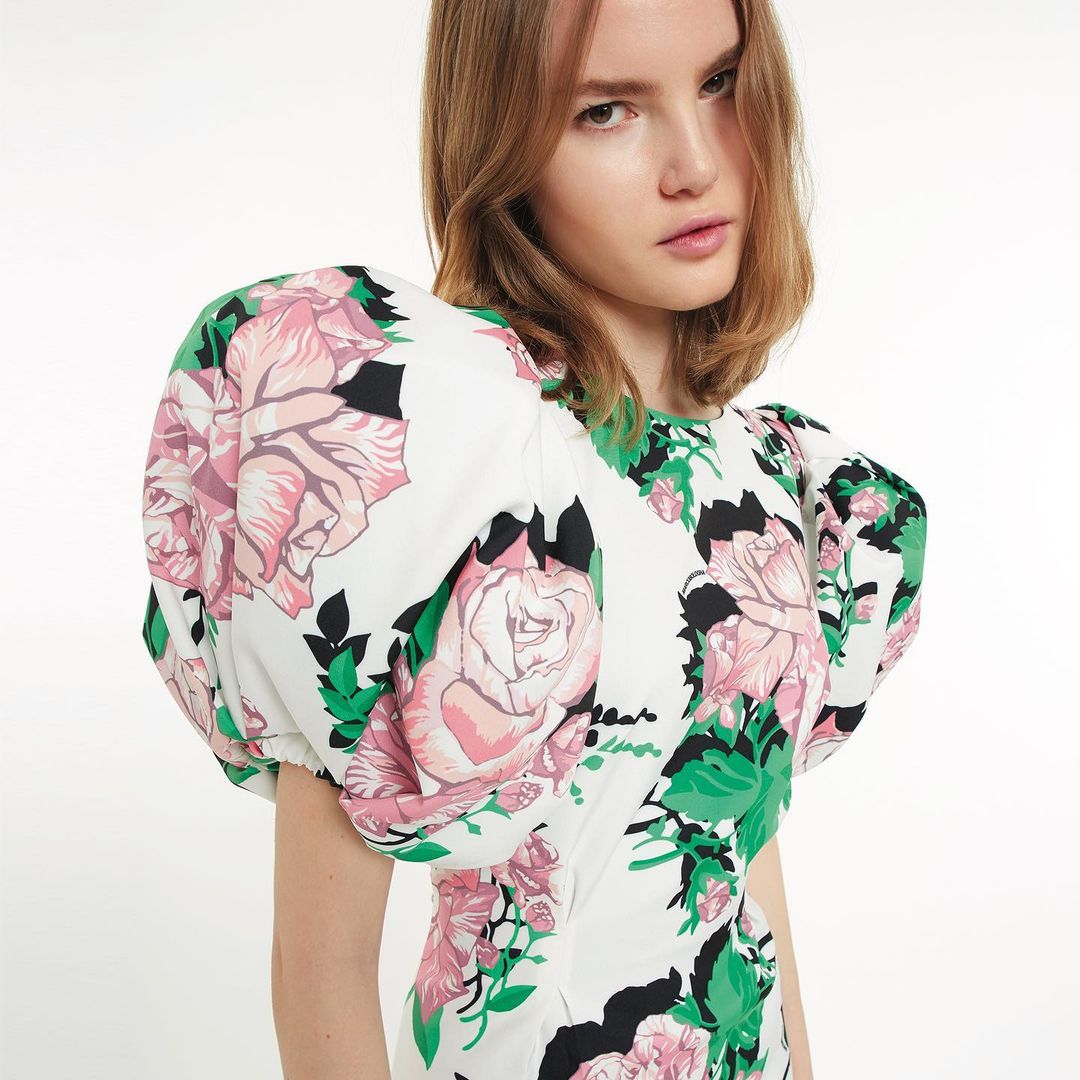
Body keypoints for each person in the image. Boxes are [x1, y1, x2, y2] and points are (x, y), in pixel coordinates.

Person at [138, 0, 928, 1077]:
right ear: (501, 147)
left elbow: (741, 849)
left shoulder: (779, 482)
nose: (696, 165)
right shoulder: (447, 467)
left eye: (720, 83)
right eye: (607, 110)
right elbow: (321, 969)